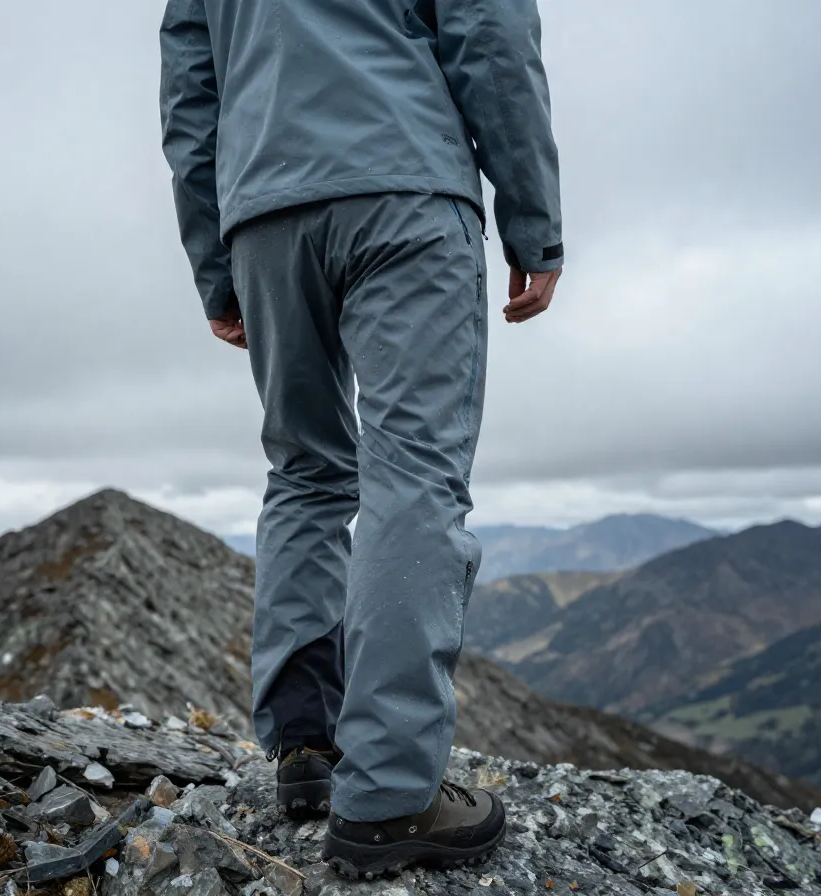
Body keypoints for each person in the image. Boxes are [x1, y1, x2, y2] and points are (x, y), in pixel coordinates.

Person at [159, 0, 563, 878]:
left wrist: (217, 265)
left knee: (305, 472)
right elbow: (490, 34)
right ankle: (388, 794)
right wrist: (533, 218)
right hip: (404, 188)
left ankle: (307, 747)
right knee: (413, 474)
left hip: (264, 214)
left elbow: (191, 90)